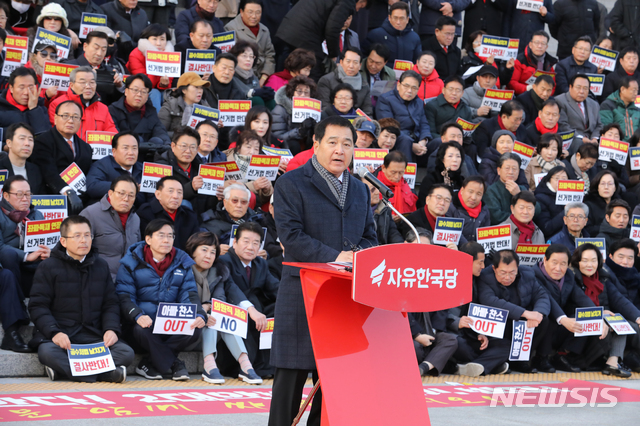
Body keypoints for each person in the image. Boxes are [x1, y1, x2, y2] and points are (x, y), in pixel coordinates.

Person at [268, 115, 377, 426]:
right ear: (316, 145)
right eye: (332, 142)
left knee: (332, 387)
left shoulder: (358, 189)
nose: (340, 150)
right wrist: (337, 256)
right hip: (304, 294)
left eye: (347, 144)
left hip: (343, 297)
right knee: (289, 384)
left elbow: (370, 235)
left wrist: (358, 255)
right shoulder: (291, 183)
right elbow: (291, 237)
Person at [29, 215, 135, 382]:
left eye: (87, 235)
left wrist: (111, 329)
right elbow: (37, 306)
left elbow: (110, 303)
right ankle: (106, 374)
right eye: (77, 236)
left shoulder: (100, 265)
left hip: (93, 335)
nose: (84, 240)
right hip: (63, 336)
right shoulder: (48, 267)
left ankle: (65, 372)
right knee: (47, 352)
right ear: (63, 242)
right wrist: (55, 332)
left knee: (126, 353)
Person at [116, 218, 206, 380]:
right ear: (148, 239)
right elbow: (124, 296)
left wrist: (200, 314)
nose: (166, 240)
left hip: (169, 325)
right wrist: (137, 315)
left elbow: (189, 295)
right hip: (142, 324)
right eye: (161, 235)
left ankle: (149, 364)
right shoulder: (131, 263)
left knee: (195, 327)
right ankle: (175, 364)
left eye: (170, 236)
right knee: (140, 329)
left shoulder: (181, 263)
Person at [185, 231, 266, 384]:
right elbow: (184, 298)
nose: (208, 255)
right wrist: (202, 312)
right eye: (204, 250)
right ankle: (209, 365)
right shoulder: (182, 271)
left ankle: (245, 364)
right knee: (211, 319)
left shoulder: (218, 272)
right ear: (192, 250)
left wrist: (208, 307)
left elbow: (220, 299)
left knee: (218, 317)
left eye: (213, 252)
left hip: (210, 324)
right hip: (189, 325)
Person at [218, 221, 278, 377]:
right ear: (235, 242)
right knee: (251, 313)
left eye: (255, 243)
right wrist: (250, 309)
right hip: (233, 310)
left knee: (279, 310)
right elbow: (231, 289)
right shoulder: (224, 261)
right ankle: (241, 366)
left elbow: (275, 287)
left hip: (256, 310)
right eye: (246, 241)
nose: (251, 247)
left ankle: (266, 366)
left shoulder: (260, 263)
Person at [477, 248, 551, 373]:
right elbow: (490, 301)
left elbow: (542, 296)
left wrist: (538, 314)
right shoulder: (485, 276)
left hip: (520, 324)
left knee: (544, 320)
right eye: (503, 272)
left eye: (512, 272)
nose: (508, 277)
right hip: (498, 325)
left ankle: (521, 361)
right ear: (494, 268)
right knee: (503, 345)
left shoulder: (527, 274)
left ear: (518, 267)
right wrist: (526, 313)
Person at [571, 243, 639, 377]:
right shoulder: (572, 278)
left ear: (599, 262)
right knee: (609, 325)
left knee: (623, 323)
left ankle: (612, 363)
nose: (589, 265)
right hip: (576, 320)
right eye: (585, 261)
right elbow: (579, 302)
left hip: (603, 317)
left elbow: (619, 300)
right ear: (577, 261)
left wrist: (638, 317)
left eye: (593, 260)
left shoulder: (603, 278)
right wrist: (599, 314)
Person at [449, 241, 511, 376]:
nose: (483, 266)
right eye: (480, 262)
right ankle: (491, 365)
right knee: (458, 345)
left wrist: (481, 332)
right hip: (455, 333)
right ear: (467, 261)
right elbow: (440, 314)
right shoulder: (449, 279)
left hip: (473, 333)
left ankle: (479, 366)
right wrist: (457, 322)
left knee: (506, 344)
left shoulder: (478, 280)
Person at [530, 244, 594, 372]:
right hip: (538, 327)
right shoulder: (533, 274)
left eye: (563, 264)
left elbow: (581, 298)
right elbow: (548, 299)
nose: (558, 268)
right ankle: (541, 357)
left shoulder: (569, 276)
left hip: (560, 324)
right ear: (545, 260)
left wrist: (598, 315)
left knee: (583, 319)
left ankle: (563, 356)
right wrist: (563, 319)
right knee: (546, 318)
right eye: (554, 262)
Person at [275, 0, 370, 81]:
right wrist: (333, 54)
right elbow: (332, 28)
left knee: (289, 65)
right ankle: (311, 99)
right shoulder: (347, 2)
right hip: (305, 32)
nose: (357, 10)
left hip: (288, 28)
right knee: (316, 67)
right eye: (360, 7)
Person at [30, 101, 91, 213]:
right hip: (53, 198)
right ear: (55, 118)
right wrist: (67, 191)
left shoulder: (86, 147)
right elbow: (48, 171)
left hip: (82, 198)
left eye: (75, 117)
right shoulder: (43, 141)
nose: (70, 120)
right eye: (65, 116)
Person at [80, 174, 140, 279]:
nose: (126, 199)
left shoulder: (135, 218)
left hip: (128, 281)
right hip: (99, 280)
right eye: (121, 193)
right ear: (110, 193)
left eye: (131, 195)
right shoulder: (90, 213)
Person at [0, 175, 49, 298]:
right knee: (8, 255)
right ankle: (19, 303)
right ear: (6, 196)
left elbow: (47, 241)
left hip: (33, 265)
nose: (25, 199)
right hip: (9, 265)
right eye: (19, 194)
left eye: (28, 194)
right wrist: (27, 256)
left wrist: (48, 252)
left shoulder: (37, 215)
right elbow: (1, 247)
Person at [376, 70, 433, 163]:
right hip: (399, 140)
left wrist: (423, 141)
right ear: (398, 85)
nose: (409, 91)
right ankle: (406, 175)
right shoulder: (385, 99)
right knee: (405, 140)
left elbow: (424, 124)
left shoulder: (419, 102)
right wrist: (412, 144)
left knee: (438, 143)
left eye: (414, 88)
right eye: (406, 86)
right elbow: (390, 126)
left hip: (417, 140)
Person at [47, 66, 118, 140]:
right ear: (71, 85)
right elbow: (55, 135)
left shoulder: (103, 108)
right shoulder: (57, 104)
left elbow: (112, 133)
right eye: (83, 82)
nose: (88, 87)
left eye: (92, 82)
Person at [109, 73, 171, 150]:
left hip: (147, 156)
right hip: (124, 153)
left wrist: (166, 144)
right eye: (135, 90)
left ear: (147, 97)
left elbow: (160, 131)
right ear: (126, 91)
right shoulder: (113, 110)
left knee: (158, 141)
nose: (139, 94)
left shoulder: (150, 111)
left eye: (144, 92)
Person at [136, 176, 200, 250]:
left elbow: (195, 244)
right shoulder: (145, 212)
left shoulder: (189, 215)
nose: (176, 196)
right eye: (170, 191)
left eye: (179, 192)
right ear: (158, 194)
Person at [201, 183, 266, 254]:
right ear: (225, 202)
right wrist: (215, 250)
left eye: (244, 202)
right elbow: (200, 250)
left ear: (248, 204)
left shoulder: (257, 221)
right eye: (235, 201)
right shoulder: (210, 222)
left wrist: (264, 256)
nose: (239, 205)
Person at [66, 31, 125, 105]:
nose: (99, 53)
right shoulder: (68, 67)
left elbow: (113, 102)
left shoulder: (110, 72)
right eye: (96, 48)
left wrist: (119, 86)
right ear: (85, 47)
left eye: (103, 50)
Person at [85, 131, 144, 205]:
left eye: (134, 148)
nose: (131, 152)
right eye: (125, 148)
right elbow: (92, 187)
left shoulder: (143, 169)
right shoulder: (102, 165)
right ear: (114, 151)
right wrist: (126, 187)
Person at [399, 184, 464, 248]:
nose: (442, 203)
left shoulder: (450, 222)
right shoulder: (411, 220)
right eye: (438, 198)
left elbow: (463, 243)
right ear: (427, 199)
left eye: (447, 200)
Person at [224, 0, 275, 83]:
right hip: (240, 78)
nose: (254, 16)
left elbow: (270, 55)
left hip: (262, 77)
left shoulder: (265, 30)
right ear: (241, 12)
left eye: (258, 12)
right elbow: (231, 58)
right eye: (250, 12)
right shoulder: (230, 28)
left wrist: (263, 78)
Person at [126, 24, 174, 110]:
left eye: (162, 39)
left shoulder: (170, 55)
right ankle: (157, 122)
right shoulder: (135, 54)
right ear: (146, 40)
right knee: (154, 93)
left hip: (159, 89)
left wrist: (163, 84)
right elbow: (144, 83)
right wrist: (154, 60)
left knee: (169, 95)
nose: (158, 43)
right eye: (154, 39)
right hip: (140, 89)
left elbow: (168, 83)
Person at [484, 153, 540, 225]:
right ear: (499, 170)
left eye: (514, 169)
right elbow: (496, 217)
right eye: (507, 168)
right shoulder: (491, 191)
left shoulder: (521, 188)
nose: (511, 172)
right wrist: (523, 217)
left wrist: (519, 195)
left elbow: (537, 210)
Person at [317, 47, 373, 115]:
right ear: (341, 62)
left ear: (360, 66)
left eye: (355, 63)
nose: (351, 66)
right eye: (348, 61)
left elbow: (367, 111)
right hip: (332, 121)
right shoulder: (326, 81)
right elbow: (325, 108)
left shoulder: (364, 85)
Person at [224, 130, 274, 207]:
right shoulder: (224, 159)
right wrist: (253, 186)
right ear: (238, 147)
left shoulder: (262, 165)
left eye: (256, 149)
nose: (252, 152)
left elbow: (264, 199)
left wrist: (266, 190)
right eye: (248, 147)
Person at [0, 67, 51, 141]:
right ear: (11, 88)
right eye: (21, 87)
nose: (26, 92)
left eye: (30, 87)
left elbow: (45, 138)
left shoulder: (41, 108)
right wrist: (4, 147)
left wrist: (34, 109)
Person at [365, 2, 421, 67]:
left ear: (407, 19)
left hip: (407, 75)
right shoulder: (376, 34)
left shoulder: (414, 38)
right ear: (389, 18)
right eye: (395, 18)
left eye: (402, 18)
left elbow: (417, 62)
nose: (398, 22)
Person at [272, 75, 317, 155]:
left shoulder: (314, 111)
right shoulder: (280, 110)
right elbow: (278, 137)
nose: (303, 95)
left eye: (306, 92)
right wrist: (299, 132)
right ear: (292, 93)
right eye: (299, 91)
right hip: (288, 149)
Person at [556, 74, 603, 150]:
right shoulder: (560, 101)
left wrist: (594, 138)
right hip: (573, 140)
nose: (581, 91)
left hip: (591, 140)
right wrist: (581, 138)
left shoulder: (594, 104)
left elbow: (599, 125)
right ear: (570, 87)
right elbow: (563, 125)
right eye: (578, 87)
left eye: (585, 88)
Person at [409, 305, 458, 377]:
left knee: (450, 340)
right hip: (409, 335)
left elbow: (441, 311)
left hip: (431, 334)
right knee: (414, 347)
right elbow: (401, 314)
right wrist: (416, 335)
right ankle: (443, 365)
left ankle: (423, 367)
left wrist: (433, 332)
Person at [356, 174, 403, 245]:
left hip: (382, 251)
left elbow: (393, 233)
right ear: (359, 191)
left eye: (378, 188)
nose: (378, 192)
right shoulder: (352, 212)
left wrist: (401, 245)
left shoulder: (385, 209)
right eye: (372, 190)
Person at [228, 40, 276, 108]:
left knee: (270, 101)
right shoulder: (229, 75)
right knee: (256, 100)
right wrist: (252, 93)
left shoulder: (254, 77)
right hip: (235, 109)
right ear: (235, 57)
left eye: (251, 56)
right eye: (244, 56)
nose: (248, 59)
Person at [508, 30, 558, 95]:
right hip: (522, 95)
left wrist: (545, 94)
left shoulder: (549, 63)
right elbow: (512, 83)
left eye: (543, 43)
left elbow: (553, 86)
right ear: (530, 45)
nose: (539, 46)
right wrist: (527, 88)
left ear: (546, 47)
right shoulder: (520, 60)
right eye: (537, 43)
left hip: (543, 96)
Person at [0, 122, 44, 194]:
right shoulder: (1, 168)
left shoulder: (36, 171)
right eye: (22, 138)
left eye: (30, 139)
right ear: (9, 143)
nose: (27, 143)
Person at [417, 142, 465, 207]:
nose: (455, 160)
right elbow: (422, 204)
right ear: (442, 159)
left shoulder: (462, 182)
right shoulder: (431, 179)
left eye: (458, 156)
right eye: (450, 156)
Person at [372, 151, 416, 215]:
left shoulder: (407, 187)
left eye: (401, 172)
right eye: (393, 172)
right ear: (384, 168)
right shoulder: (372, 186)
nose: (397, 176)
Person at [530, 166, 569, 239]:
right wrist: (566, 212)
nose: (560, 181)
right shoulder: (540, 198)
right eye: (557, 178)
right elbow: (546, 228)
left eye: (564, 179)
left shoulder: (572, 198)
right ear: (549, 180)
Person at [450, 176, 491, 243]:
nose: (473, 197)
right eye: (470, 192)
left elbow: (486, 237)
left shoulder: (484, 210)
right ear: (462, 190)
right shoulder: (450, 207)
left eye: (479, 194)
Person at [421, 16, 462, 80]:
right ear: (437, 32)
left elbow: (458, 73)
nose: (450, 38)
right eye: (447, 34)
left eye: (452, 34)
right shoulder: (425, 47)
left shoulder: (456, 51)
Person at [600, 76, 640, 141]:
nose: (636, 94)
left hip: (635, 148)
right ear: (623, 89)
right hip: (617, 147)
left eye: (637, 91)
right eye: (633, 90)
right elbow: (606, 130)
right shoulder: (607, 105)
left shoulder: (637, 109)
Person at [583, 170, 622, 237]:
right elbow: (587, 229)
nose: (606, 187)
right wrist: (610, 228)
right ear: (597, 187)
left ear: (615, 188)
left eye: (610, 184)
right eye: (603, 184)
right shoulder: (588, 205)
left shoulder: (620, 205)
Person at [606, 238, 640, 311]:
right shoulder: (605, 275)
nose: (625, 262)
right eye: (621, 257)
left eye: (630, 258)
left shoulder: (635, 275)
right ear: (611, 257)